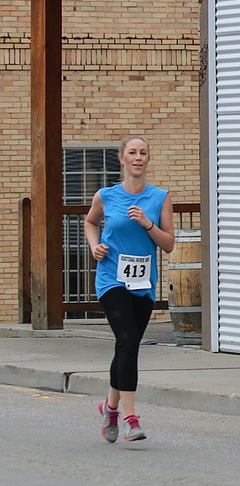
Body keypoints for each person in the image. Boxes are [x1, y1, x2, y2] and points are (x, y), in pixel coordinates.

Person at [85, 136, 175, 443]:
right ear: (122, 159)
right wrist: (95, 246)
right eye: (132, 152)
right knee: (127, 340)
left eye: (143, 153)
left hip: (143, 284)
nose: (138, 157)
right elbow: (90, 222)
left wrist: (149, 224)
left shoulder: (160, 197)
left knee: (128, 345)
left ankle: (109, 407)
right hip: (112, 278)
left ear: (148, 159)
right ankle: (130, 418)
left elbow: (169, 245)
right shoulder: (106, 195)